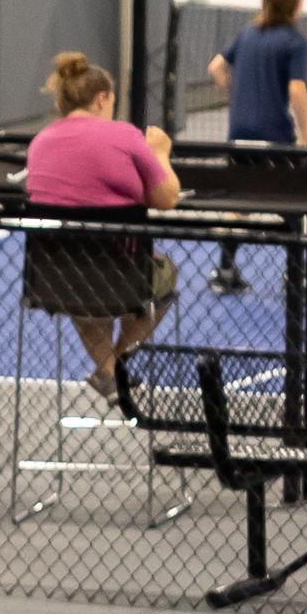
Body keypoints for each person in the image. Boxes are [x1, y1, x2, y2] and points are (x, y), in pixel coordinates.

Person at [24, 51, 183, 404]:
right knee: (166, 273)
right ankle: (117, 367)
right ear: (102, 98)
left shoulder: (39, 143)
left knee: (84, 293)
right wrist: (160, 153)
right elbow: (167, 197)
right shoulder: (125, 136)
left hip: (54, 278)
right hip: (124, 276)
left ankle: (107, 372)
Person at [205, 0, 307, 292]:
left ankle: (224, 272)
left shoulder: (248, 34)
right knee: (292, 202)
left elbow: (216, 67)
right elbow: (296, 90)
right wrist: (306, 136)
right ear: (294, 4)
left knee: (239, 205)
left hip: (238, 134)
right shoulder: (295, 42)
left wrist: (235, 94)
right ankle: (295, 278)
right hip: (274, 138)